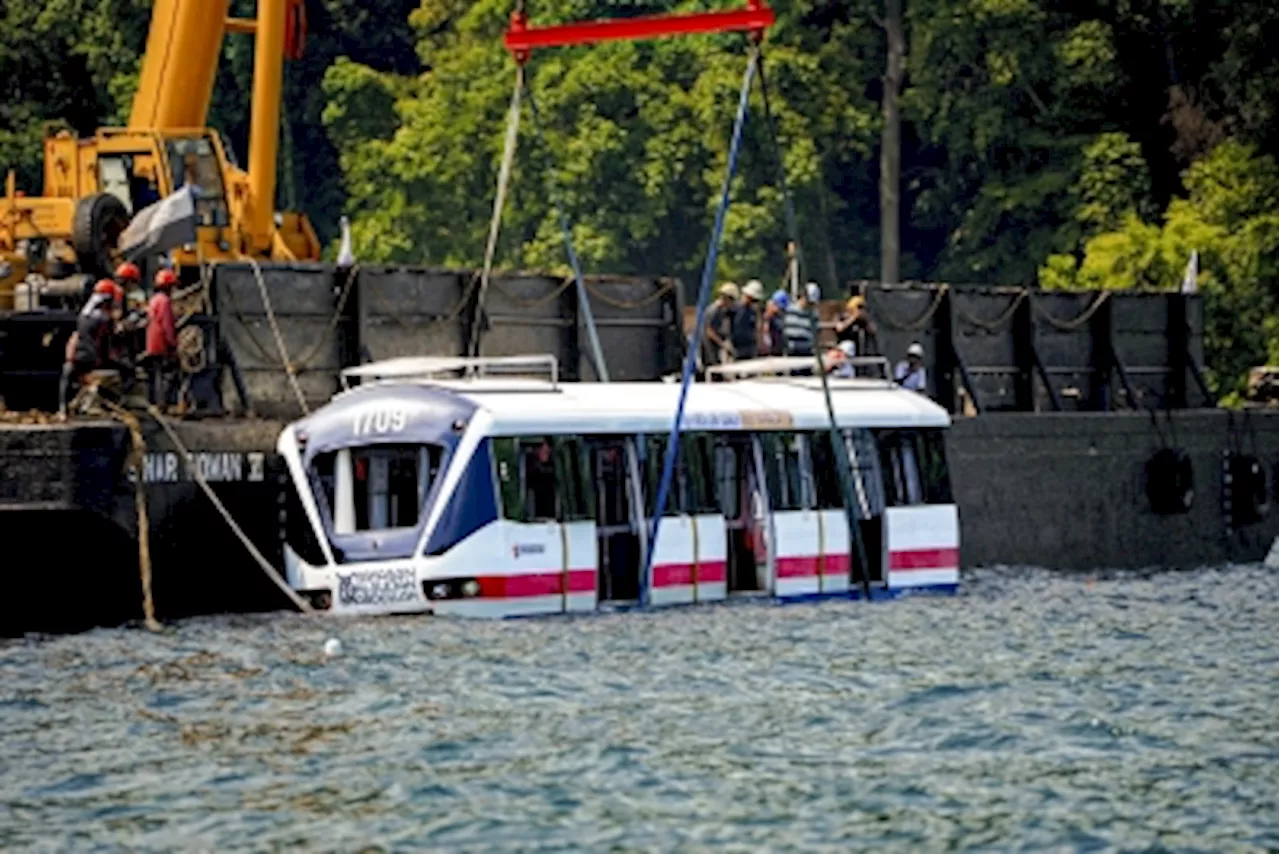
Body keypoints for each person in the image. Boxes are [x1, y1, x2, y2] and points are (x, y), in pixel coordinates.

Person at [60, 281, 123, 415]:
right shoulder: (104, 319)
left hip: (76, 356)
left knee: (68, 376)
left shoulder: (83, 316)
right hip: (92, 358)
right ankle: (97, 404)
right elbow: (107, 343)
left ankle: (63, 409)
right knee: (123, 372)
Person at [145, 268, 180, 406]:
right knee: (164, 374)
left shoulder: (154, 300)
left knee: (154, 374)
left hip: (151, 341)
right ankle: (163, 402)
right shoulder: (165, 301)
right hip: (161, 342)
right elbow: (167, 325)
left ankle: (153, 401)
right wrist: (172, 344)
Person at [704, 282, 739, 365]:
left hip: (718, 346)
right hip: (709, 347)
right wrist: (723, 345)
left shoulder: (726, 311)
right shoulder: (713, 310)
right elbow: (708, 331)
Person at [784, 282, 821, 357]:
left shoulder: (814, 315)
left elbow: (817, 332)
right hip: (791, 351)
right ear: (802, 296)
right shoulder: (789, 310)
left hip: (807, 351)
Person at [733, 280, 764, 361]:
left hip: (750, 348)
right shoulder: (734, 309)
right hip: (736, 348)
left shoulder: (754, 311)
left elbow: (757, 328)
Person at [761, 290, 788, 356]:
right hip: (766, 352)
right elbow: (765, 331)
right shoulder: (766, 317)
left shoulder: (780, 318)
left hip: (777, 351)